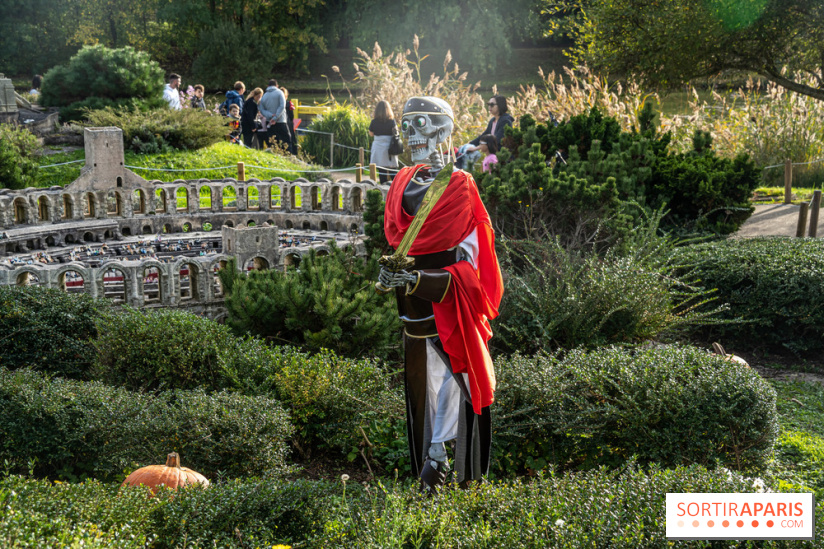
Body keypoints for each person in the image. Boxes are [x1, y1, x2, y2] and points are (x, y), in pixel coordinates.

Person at [378, 96, 504, 492]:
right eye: (406, 123)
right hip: (410, 312)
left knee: (459, 383)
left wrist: (416, 280)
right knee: (418, 391)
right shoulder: (401, 180)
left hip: (447, 304)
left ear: (445, 129)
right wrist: (390, 272)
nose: (411, 133)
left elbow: (469, 261)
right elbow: (401, 244)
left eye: (422, 123)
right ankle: (428, 465)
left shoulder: (459, 186)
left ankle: (465, 477)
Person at [455, 95, 513, 169]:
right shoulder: (493, 121)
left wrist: (476, 148)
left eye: (492, 105)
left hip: (503, 157)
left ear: (500, 106)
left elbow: (496, 140)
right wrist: (467, 145)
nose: (489, 107)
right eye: (488, 104)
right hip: (493, 156)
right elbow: (483, 136)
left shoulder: (505, 121)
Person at [368, 100, 399, 184]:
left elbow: (371, 133)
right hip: (390, 147)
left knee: (382, 172)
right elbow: (396, 132)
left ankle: (384, 191)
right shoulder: (392, 121)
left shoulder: (374, 122)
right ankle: (396, 190)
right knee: (393, 171)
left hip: (378, 147)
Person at [259, 79, 292, 151]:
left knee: (272, 141)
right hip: (281, 121)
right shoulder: (280, 93)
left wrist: (270, 116)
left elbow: (262, 109)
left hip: (269, 122)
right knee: (286, 140)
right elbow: (282, 106)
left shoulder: (264, 95)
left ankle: (275, 156)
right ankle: (288, 156)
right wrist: (275, 117)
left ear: (268, 86)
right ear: (277, 86)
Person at [281, 88, 298, 155]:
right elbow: (291, 116)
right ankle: (292, 153)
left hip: (280, 123)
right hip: (288, 123)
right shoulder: (289, 104)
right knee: (291, 139)